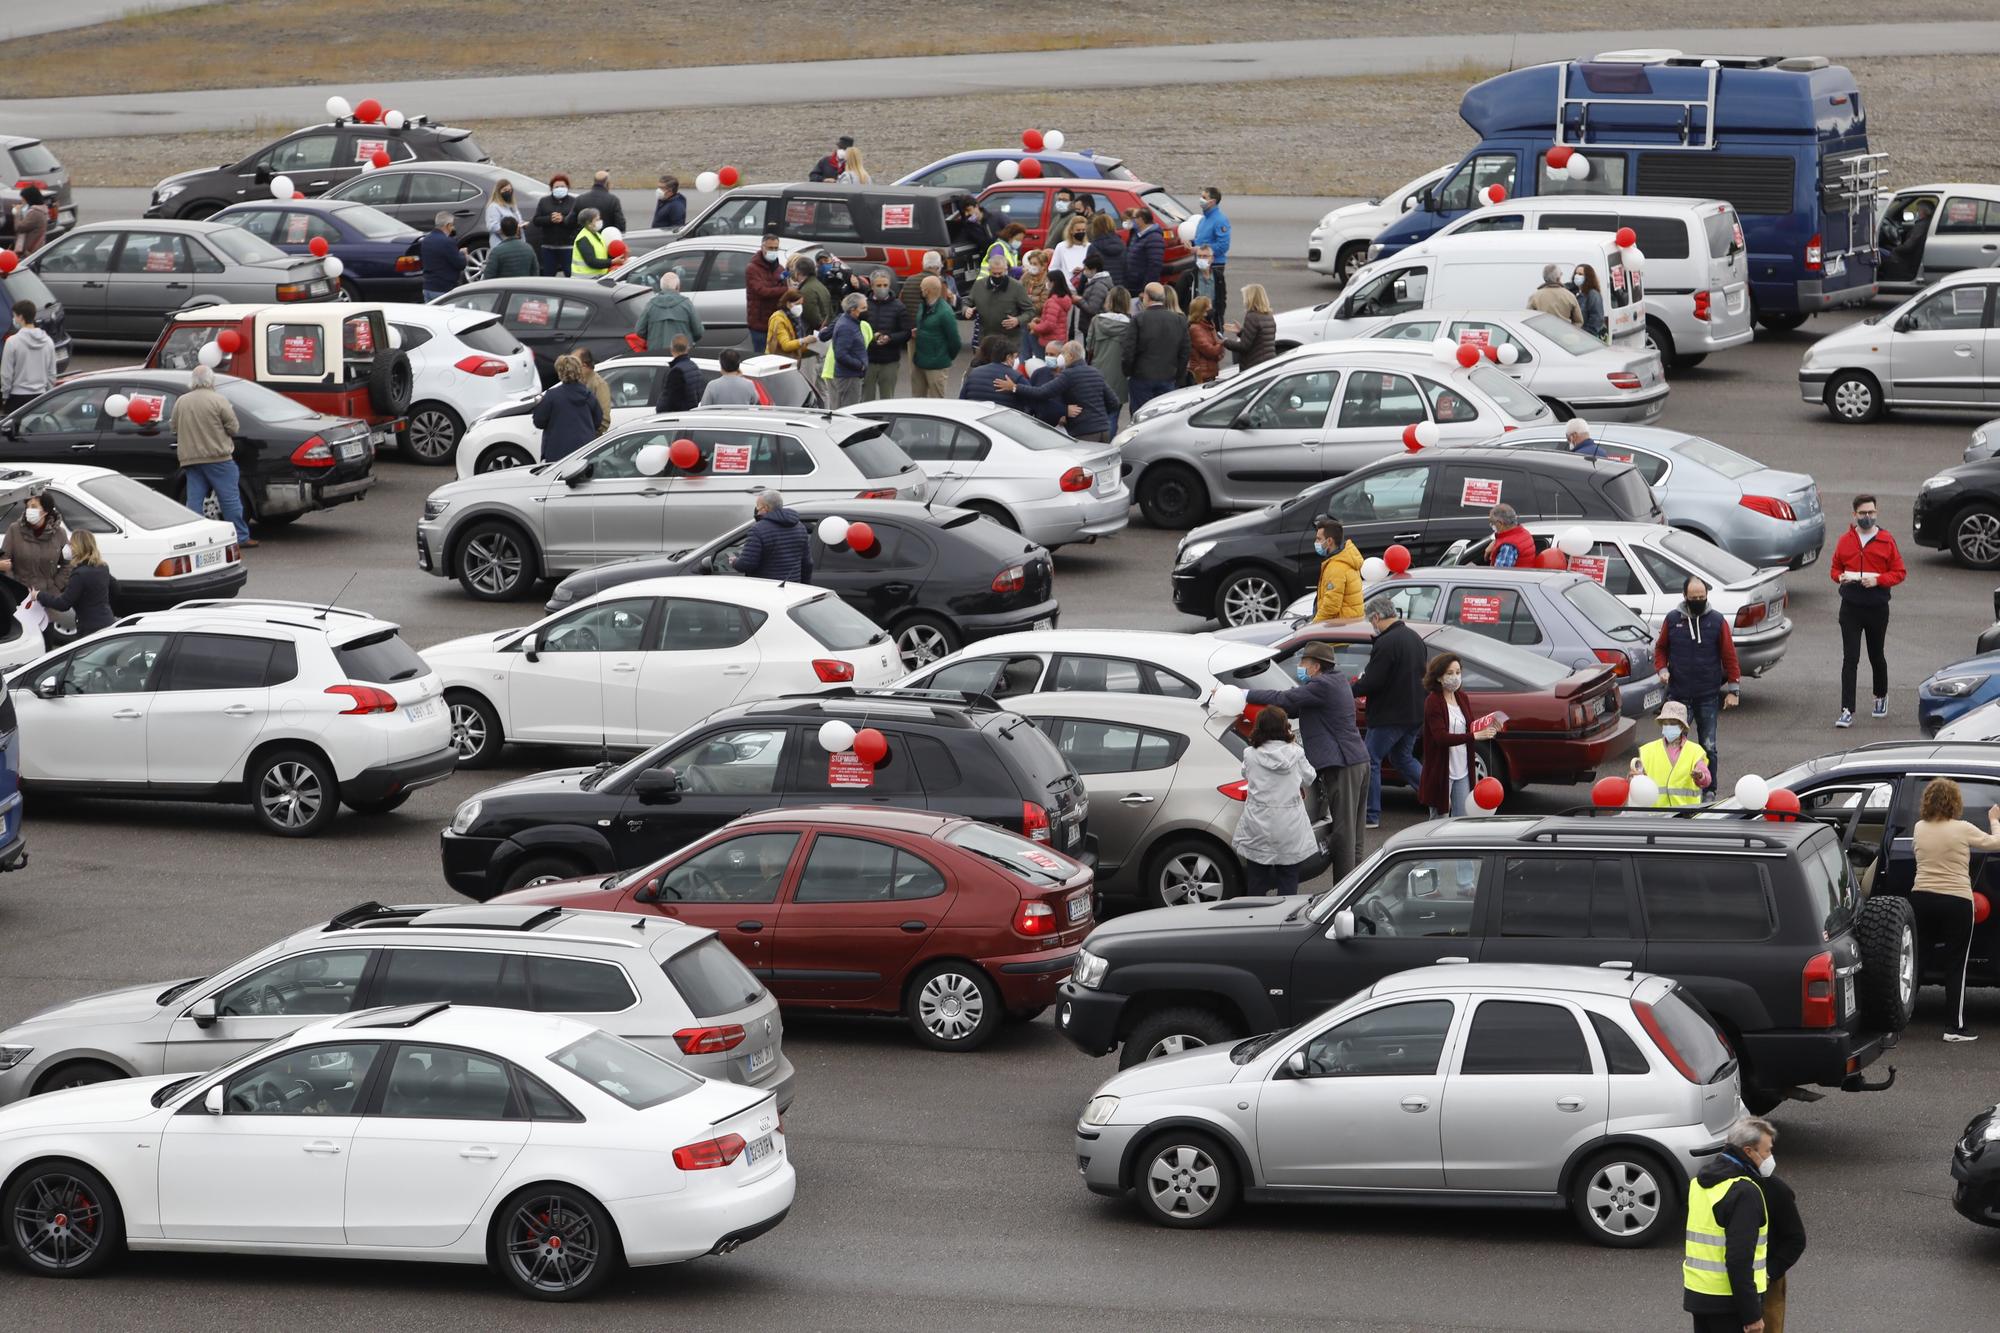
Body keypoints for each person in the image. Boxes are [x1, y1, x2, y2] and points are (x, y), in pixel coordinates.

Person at [1244, 641, 1370, 878]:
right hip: (1357, 760)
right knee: (1355, 832)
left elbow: (1283, 698)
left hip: (1342, 764)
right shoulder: (1337, 681)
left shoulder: (1321, 684)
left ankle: (1343, 895)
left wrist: (1245, 694)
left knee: (1344, 833)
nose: (1300, 667)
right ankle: (1357, 884)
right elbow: (1294, 708)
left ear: (1315, 666)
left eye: (1303, 662)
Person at [1913, 777, 2000, 1042]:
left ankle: (1899, 1017)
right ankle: (1955, 1026)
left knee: (1918, 960)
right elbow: (1995, 843)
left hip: (1922, 898)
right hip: (1955, 901)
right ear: (1955, 802)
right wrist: (1994, 819)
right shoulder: (1962, 828)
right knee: (1956, 965)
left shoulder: (1919, 827)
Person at [1683, 1116, 1779, 1333]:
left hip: (1700, 1295)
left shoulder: (1699, 1183)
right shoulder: (1744, 1192)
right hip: (1731, 1303)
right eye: (1767, 1151)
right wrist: (1752, 1315)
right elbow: (1738, 1260)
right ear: (1748, 1152)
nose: (1770, 1157)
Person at [1654, 576, 1740, 781]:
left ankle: (1709, 790)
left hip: (1707, 696)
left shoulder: (1717, 621)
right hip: (1677, 696)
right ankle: (1670, 785)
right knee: (1671, 744)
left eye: (1702, 596)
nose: (1698, 600)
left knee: (1708, 747)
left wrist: (1733, 690)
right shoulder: (1673, 620)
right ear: (1685, 596)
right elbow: (1661, 648)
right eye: (1694, 597)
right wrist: (1662, 670)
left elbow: (1729, 656)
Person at [1352, 594, 1427, 827]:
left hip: (1389, 715)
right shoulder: (1414, 638)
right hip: (1414, 712)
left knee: (1370, 759)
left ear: (1376, 617)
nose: (1371, 625)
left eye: (1371, 621)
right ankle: (1438, 797)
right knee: (1402, 757)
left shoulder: (1386, 643)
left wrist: (1348, 689)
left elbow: (1374, 681)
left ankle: (1370, 815)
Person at [1230, 705, 1320, 897]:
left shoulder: (1250, 754)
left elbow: (1245, 774)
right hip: (1289, 824)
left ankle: (1255, 920)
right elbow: (1310, 777)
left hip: (1258, 823)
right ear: (1284, 727)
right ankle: (1283, 921)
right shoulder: (1296, 753)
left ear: (1260, 727)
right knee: (1288, 879)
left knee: (1256, 880)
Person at [1831, 493, 1904, 727]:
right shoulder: (1845, 540)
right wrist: (1839, 577)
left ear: (1877, 513)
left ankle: (1880, 695)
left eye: (1871, 513)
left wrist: (1879, 580)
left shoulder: (1886, 540)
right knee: (1850, 658)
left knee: (1876, 655)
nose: (1867, 517)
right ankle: (1846, 709)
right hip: (1850, 608)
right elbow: (1834, 568)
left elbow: (1899, 572)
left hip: (1877, 607)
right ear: (1854, 515)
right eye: (1863, 513)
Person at [175, 364, 252, 547]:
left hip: (190, 459)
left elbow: (174, 428)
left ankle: (194, 538)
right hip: (218, 458)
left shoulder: (182, 401)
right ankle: (241, 537)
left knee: (194, 500)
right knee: (230, 500)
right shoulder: (218, 400)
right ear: (211, 380)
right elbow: (233, 427)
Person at [1421, 653, 1501, 817]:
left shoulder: (1462, 697)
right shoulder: (1433, 702)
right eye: (1449, 673)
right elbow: (1441, 738)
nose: (1455, 677)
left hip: (1463, 769)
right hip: (1442, 770)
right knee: (1439, 820)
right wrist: (1474, 736)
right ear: (1438, 677)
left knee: (1461, 820)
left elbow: (1469, 726)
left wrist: (1488, 725)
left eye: (1458, 672)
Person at [1123, 283, 1189, 417]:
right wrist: (1178, 375)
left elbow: (1129, 350)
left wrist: (1128, 372)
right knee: (1163, 418)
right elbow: (1185, 351)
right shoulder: (1178, 320)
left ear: (1146, 297)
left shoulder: (1139, 319)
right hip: (1168, 376)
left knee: (1140, 417)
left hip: (1141, 377)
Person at [1630, 701, 1712, 807]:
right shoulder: (1648, 750)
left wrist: (1700, 776)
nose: (1668, 727)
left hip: (1685, 815)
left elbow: (1706, 780)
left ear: (1682, 727)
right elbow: (1637, 780)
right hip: (1656, 815)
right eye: (1665, 723)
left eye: (1672, 723)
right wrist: (1634, 778)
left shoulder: (1695, 751)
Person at [35, 529, 112, 638]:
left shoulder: (79, 574)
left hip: (89, 627)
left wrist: (39, 595)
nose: (68, 548)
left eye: (71, 544)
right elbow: (115, 588)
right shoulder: (103, 567)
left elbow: (63, 604)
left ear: (78, 547)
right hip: (106, 620)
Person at [531, 354, 601, 463]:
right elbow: (598, 420)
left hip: (558, 452)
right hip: (585, 451)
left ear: (560, 372)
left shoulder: (552, 396)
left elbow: (538, 421)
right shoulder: (588, 395)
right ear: (579, 371)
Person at [732, 490, 812, 582]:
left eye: (758, 506)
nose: (756, 510)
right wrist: (805, 586)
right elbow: (807, 563)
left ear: (765, 508)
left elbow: (747, 564)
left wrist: (734, 562)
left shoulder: (758, 529)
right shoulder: (800, 527)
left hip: (768, 589)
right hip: (793, 588)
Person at [0, 492, 70, 595]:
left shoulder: (60, 533)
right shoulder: (14, 530)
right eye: (27, 506)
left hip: (48, 597)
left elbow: (68, 563)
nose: (29, 510)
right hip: (21, 596)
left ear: (45, 511)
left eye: (34, 507)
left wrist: (55, 587)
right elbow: (4, 562)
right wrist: (15, 588)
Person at [962, 260, 1036, 355]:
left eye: (1000, 273)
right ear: (989, 271)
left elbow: (1030, 310)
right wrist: (966, 309)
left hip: (1009, 341)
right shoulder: (979, 285)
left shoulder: (1017, 287)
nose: (997, 276)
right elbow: (967, 302)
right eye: (994, 273)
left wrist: (1018, 320)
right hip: (986, 340)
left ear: (1006, 270)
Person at [1, 299, 58, 411]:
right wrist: (47, 392)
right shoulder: (47, 341)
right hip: (40, 396)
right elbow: (52, 373)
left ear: (21, 317)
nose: (14, 319)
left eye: (15, 316)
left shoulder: (12, 342)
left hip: (17, 397)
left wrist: (5, 395)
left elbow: (6, 374)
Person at [863, 269, 911, 401]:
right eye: (879, 286)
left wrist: (890, 338)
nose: (882, 288)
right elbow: (858, 330)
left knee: (887, 399)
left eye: (885, 285)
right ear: (872, 286)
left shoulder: (898, 306)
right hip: (868, 360)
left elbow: (906, 332)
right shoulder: (864, 305)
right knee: (866, 399)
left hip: (889, 361)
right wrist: (873, 337)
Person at [1086, 286, 1133, 420]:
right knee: (1113, 413)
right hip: (1119, 375)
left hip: (1097, 371)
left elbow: (1089, 347)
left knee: (1096, 412)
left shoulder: (1096, 320)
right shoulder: (1131, 325)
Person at [911, 275, 962, 398]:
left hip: (937, 365)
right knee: (917, 400)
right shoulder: (923, 306)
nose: (920, 290)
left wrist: (944, 357)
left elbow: (955, 341)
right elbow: (927, 325)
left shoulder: (945, 312)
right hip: (920, 361)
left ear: (927, 291)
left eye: (921, 287)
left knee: (936, 401)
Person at [820, 292, 870, 409]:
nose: (867, 310)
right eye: (863, 308)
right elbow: (841, 354)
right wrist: (860, 365)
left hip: (851, 374)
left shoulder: (851, 323)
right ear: (853, 310)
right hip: (848, 376)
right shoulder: (846, 327)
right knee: (848, 410)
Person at [1311, 516, 1364, 622]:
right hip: (1348, 626)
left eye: (1319, 539)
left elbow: (1331, 606)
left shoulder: (1336, 568)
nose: (1316, 542)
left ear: (1329, 541)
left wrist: (1314, 625)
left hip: (1339, 629)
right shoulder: (1346, 558)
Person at [638, 271, 704, 353]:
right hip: (681, 352)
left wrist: (652, 338)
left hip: (656, 352)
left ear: (661, 287)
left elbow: (639, 330)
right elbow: (698, 331)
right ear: (677, 287)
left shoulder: (651, 304)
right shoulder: (686, 304)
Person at [1192, 186, 1231, 324]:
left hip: (1214, 265)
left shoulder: (1220, 220)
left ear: (1212, 201)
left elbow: (1223, 246)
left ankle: (1215, 327)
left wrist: (1201, 250)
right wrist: (1192, 245)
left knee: (1212, 301)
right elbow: (1199, 240)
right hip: (1200, 263)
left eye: (1204, 197)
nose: (1201, 200)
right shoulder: (1203, 220)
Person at [745, 235, 790, 356]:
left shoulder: (779, 268)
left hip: (776, 321)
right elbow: (762, 291)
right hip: (760, 324)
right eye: (770, 248)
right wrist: (786, 289)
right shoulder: (753, 268)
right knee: (761, 357)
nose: (773, 251)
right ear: (762, 247)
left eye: (776, 248)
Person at [1220, 284, 1278, 371]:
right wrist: (1241, 332)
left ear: (1250, 298)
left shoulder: (1252, 316)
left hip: (1254, 365)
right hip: (1267, 362)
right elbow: (1260, 339)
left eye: (1245, 297)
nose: (1244, 300)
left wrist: (1224, 341)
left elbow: (1244, 346)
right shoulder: (1268, 315)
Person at [531, 174, 578, 276]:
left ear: (567, 188)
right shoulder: (544, 201)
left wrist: (563, 219)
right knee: (548, 275)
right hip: (548, 246)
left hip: (568, 246)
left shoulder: (574, 202)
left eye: (563, 186)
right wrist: (550, 219)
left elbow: (577, 222)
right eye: (556, 187)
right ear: (551, 188)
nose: (559, 189)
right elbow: (536, 220)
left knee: (570, 274)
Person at [958, 335, 1027, 403]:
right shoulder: (1014, 376)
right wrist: (1015, 388)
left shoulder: (973, 372)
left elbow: (962, 399)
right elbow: (1030, 398)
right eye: (1014, 357)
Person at [419, 212, 466, 301]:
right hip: (443, 289)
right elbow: (460, 264)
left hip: (428, 287)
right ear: (448, 225)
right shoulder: (448, 242)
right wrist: (463, 255)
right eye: (452, 226)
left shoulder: (426, 240)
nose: (453, 228)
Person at [1031, 271, 1074, 364]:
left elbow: (1049, 325)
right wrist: (1041, 320)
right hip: (1060, 338)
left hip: (1049, 341)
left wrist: (1033, 326)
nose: (1046, 283)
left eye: (1048, 281)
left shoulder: (1053, 302)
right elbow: (1056, 319)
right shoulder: (1064, 299)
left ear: (1053, 283)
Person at [655, 336, 704, 412]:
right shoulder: (694, 367)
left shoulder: (676, 372)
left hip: (678, 417)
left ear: (672, 349)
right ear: (687, 348)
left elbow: (671, 400)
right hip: (690, 414)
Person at [766, 287, 815, 362]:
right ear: (788, 303)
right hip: (778, 360)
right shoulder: (778, 319)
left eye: (801, 304)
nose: (800, 307)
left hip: (792, 359)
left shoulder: (795, 318)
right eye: (797, 304)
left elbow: (798, 345)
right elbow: (786, 345)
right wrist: (804, 340)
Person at [1122, 208, 1165, 294]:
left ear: (1141, 219)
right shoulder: (1136, 234)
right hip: (1131, 284)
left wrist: (1147, 290)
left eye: (1133, 218)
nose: (1131, 221)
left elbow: (1154, 265)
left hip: (1141, 286)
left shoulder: (1154, 238)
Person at [1482, 503, 1537, 567]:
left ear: (1500, 523)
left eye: (1492, 523)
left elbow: (1499, 574)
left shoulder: (1508, 546)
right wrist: (1495, 543)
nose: (1491, 525)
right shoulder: (1523, 533)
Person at [791, 255, 834, 333]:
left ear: (798, 272)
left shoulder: (806, 290)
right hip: (825, 330)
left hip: (814, 334)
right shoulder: (819, 285)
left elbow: (812, 316)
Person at [1073, 253, 1113, 334]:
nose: (1084, 272)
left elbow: (1092, 309)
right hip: (1091, 326)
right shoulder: (1095, 282)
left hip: (1093, 327)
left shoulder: (1098, 286)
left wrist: (1079, 300)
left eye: (1086, 269)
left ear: (1094, 270)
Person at [1186, 295, 1223, 383]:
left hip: (1210, 372)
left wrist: (1219, 347)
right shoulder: (1195, 329)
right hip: (1202, 375)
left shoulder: (1209, 325)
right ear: (1202, 311)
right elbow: (1211, 351)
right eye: (1209, 307)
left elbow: (1219, 353)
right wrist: (1222, 343)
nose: (1212, 310)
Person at [573, 346, 611, 430]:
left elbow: (604, 419)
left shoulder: (599, 384)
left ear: (584, 365)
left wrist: (591, 436)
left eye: (574, 363)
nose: (571, 366)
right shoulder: (575, 382)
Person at [1051, 214, 1092, 290]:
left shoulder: (1090, 247)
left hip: (1085, 288)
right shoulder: (1061, 246)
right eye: (1078, 230)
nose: (1081, 232)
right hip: (1066, 288)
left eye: (1083, 230)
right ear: (1071, 231)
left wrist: (1084, 271)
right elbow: (1053, 268)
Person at [570, 208, 613, 279]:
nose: (600, 222)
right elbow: (592, 262)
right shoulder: (583, 238)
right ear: (588, 223)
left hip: (597, 278)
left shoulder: (597, 235)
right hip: (584, 280)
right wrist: (612, 262)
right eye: (597, 220)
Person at [1085, 212, 1126, 280]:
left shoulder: (1093, 247)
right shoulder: (1122, 245)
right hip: (1119, 286)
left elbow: (1088, 269)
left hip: (1101, 286)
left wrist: (1080, 288)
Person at [10, 186, 49, 257]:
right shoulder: (39, 210)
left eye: (23, 198)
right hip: (35, 249)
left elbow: (19, 227)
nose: (22, 200)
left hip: (31, 252)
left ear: (29, 198)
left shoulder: (35, 213)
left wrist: (17, 213)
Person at [1572, 263, 1607, 340]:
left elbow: (1597, 318)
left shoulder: (1593, 294)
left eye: (1580, 274)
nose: (1577, 276)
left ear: (1588, 277)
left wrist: (1586, 335)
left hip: (1586, 338)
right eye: (1576, 273)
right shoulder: (1576, 293)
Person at [482, 179, 523, 245]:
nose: (508, 192)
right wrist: (510, 228)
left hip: (516, 242)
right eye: (505, 190)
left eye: (510, 190)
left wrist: (521, 225)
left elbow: (518, 220)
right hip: (501, 243)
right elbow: (492, 226)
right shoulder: (494, 207)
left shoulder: (512, 205)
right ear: (498, 192)